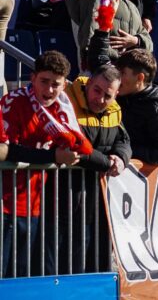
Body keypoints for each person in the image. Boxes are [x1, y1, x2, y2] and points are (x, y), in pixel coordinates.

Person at [1, 51, 83, 278]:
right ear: (32, 77)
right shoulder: (13, 102)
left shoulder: (63, 109)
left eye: (55, 85)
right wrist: (53, 157)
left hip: (36, 206)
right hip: (6, 204)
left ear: (64, 85)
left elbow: (77, 145)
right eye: (44, 82)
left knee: (23, 278)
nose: (48, 91)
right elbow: (6, 151)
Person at [66, 64, 131, 272]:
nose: (100, 99)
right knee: (71, 252)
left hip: (100, 196)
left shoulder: (114, 110)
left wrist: (121, 159)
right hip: (68, 193)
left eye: (108, 95)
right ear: (89, 83)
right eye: (97, 91)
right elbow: (74, 143)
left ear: (116, 95)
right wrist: (107, 163)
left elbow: (124, 141)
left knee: (99, 252)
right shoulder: (68, 102)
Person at [111, 48, 158, 165]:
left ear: (140, 78)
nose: (116, 78)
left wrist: (123, 151)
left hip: (137, 179)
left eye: (122, 73)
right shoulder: (120, 96)